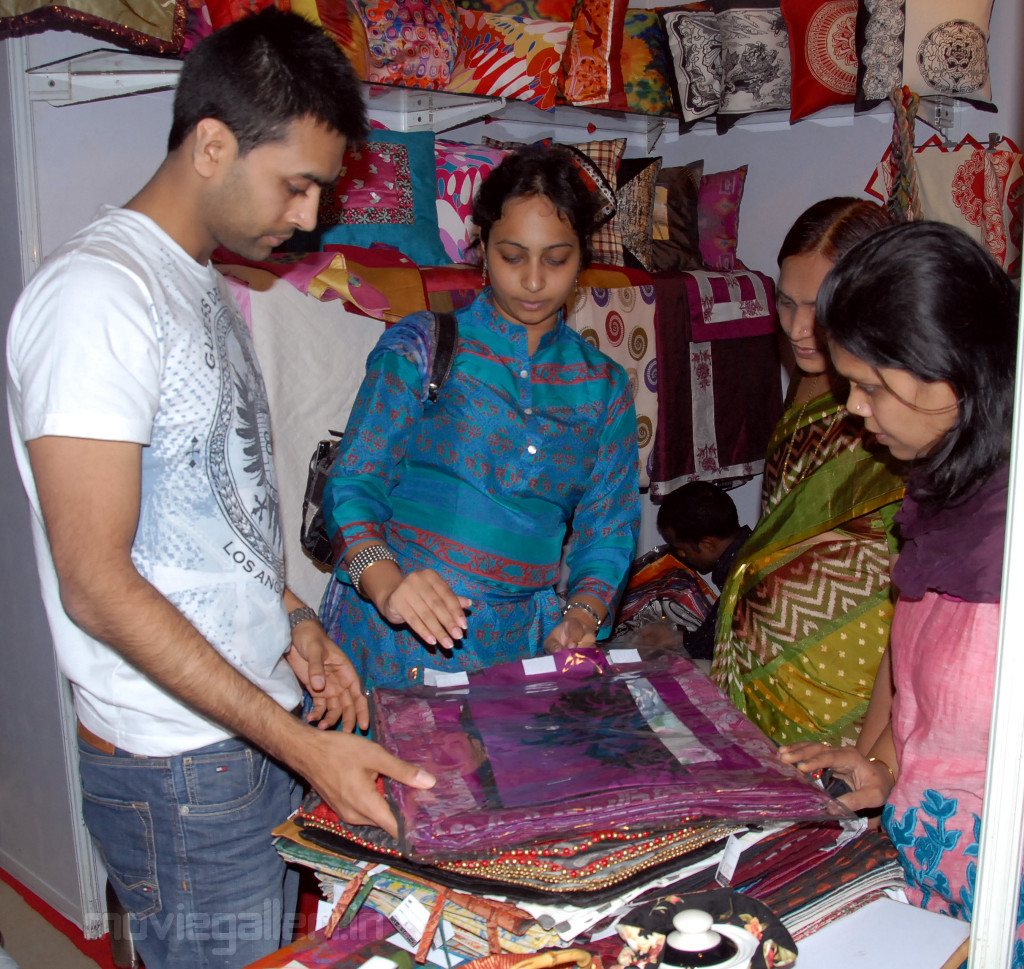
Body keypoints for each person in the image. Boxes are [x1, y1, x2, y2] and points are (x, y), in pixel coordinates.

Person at [6, 12, 434, 969]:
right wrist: (299, 742)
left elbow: (214, 520)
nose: (311, 216)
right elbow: (95, 583)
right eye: (299, 184)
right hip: (179, 764)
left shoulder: (196, 285)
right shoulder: (95, 300)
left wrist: (294, 621)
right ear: (211, 144)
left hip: (243, 731)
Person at [320, 145, 641, 689]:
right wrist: (386, 582)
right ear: (482, 246)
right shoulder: (423, 345)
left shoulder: (604, 388)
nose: (534, 281)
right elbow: (353, 484)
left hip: (518, 649)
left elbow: (607, 529)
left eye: (556, 259)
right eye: (513, 256)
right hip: (391, 638)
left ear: (582, 257)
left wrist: (581, 615)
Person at [780, 220, 1019, 940]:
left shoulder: (1011, 534)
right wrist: (879, 763)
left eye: (872, 387)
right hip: (928, 893)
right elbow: (914, 667)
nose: (854, 409)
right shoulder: (946, 495)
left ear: (952, 370)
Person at [711, 198, 904, 749]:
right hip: (767, 672)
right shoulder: (808, 380)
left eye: (819, 308)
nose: (798, 329)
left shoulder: (906, 408)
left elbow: (908, 581)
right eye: (786, 302)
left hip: (845, 691)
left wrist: (872, 750)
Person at [656, 481, 751, 661]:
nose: (681, 554)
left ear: (708, 544)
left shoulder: (745, 580)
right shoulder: (745, 558)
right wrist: (673, 638)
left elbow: (712, 652)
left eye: (681, 548)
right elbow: (709, 640)